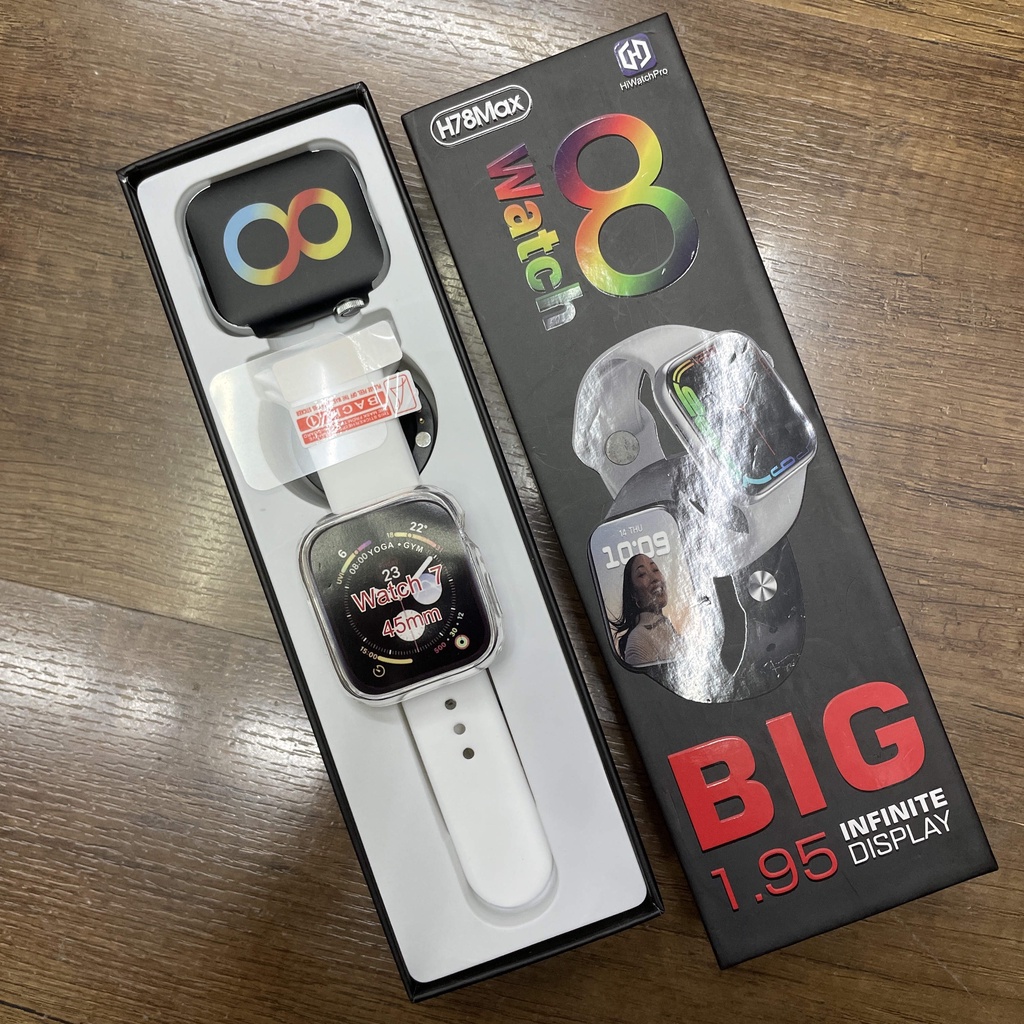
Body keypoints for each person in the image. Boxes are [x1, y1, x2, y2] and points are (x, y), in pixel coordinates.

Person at [612, 553, 680, 666]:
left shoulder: (666, 626)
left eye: (655, 570)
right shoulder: (638, 641)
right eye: (642, 574)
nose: (654, 579)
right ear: (633, 594)